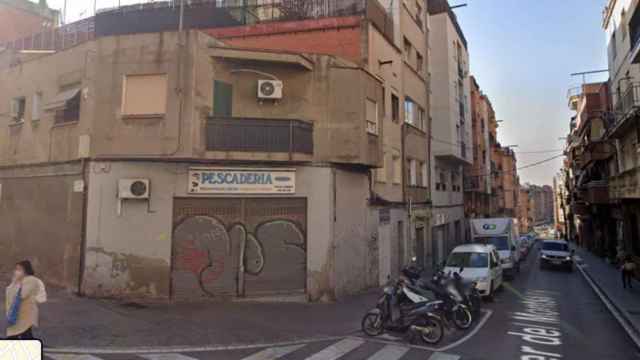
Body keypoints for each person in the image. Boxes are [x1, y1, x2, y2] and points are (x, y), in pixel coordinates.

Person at [5, 260, 46, 339]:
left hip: (26, 313)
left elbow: (23, 294)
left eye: (19, 269)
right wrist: (15, 281)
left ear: (26, 270)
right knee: (22, 335)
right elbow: (9, 291)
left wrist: (17, 282)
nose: (16, 271)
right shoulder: (17, 280)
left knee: (20, 335)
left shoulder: (31, 280)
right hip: (18, 313)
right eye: (16, 269)